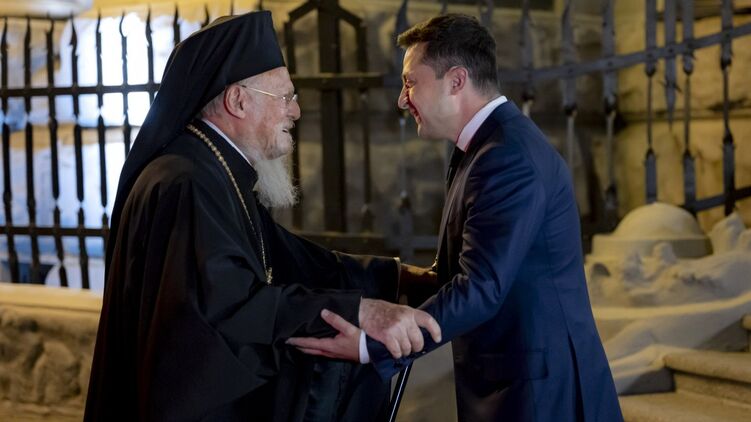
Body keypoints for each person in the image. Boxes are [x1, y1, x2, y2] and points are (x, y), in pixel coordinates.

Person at [84, 11, 440, 422]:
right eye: (285, 97)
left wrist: (395, 278)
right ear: (238, 100)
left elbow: (289, 258)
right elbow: (226, 303)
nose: (297, 111)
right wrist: (359, 312)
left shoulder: (212, 169)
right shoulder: (187, 182)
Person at [288, 14, 623, 422]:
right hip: (519, 382)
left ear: (456, 80)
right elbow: (458, 275)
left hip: (542, 394)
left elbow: (480, 287)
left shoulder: (506, 156)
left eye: (411, 82)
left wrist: (372, 347)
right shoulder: (483, 148)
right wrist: (372, 285)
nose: (402, 99)